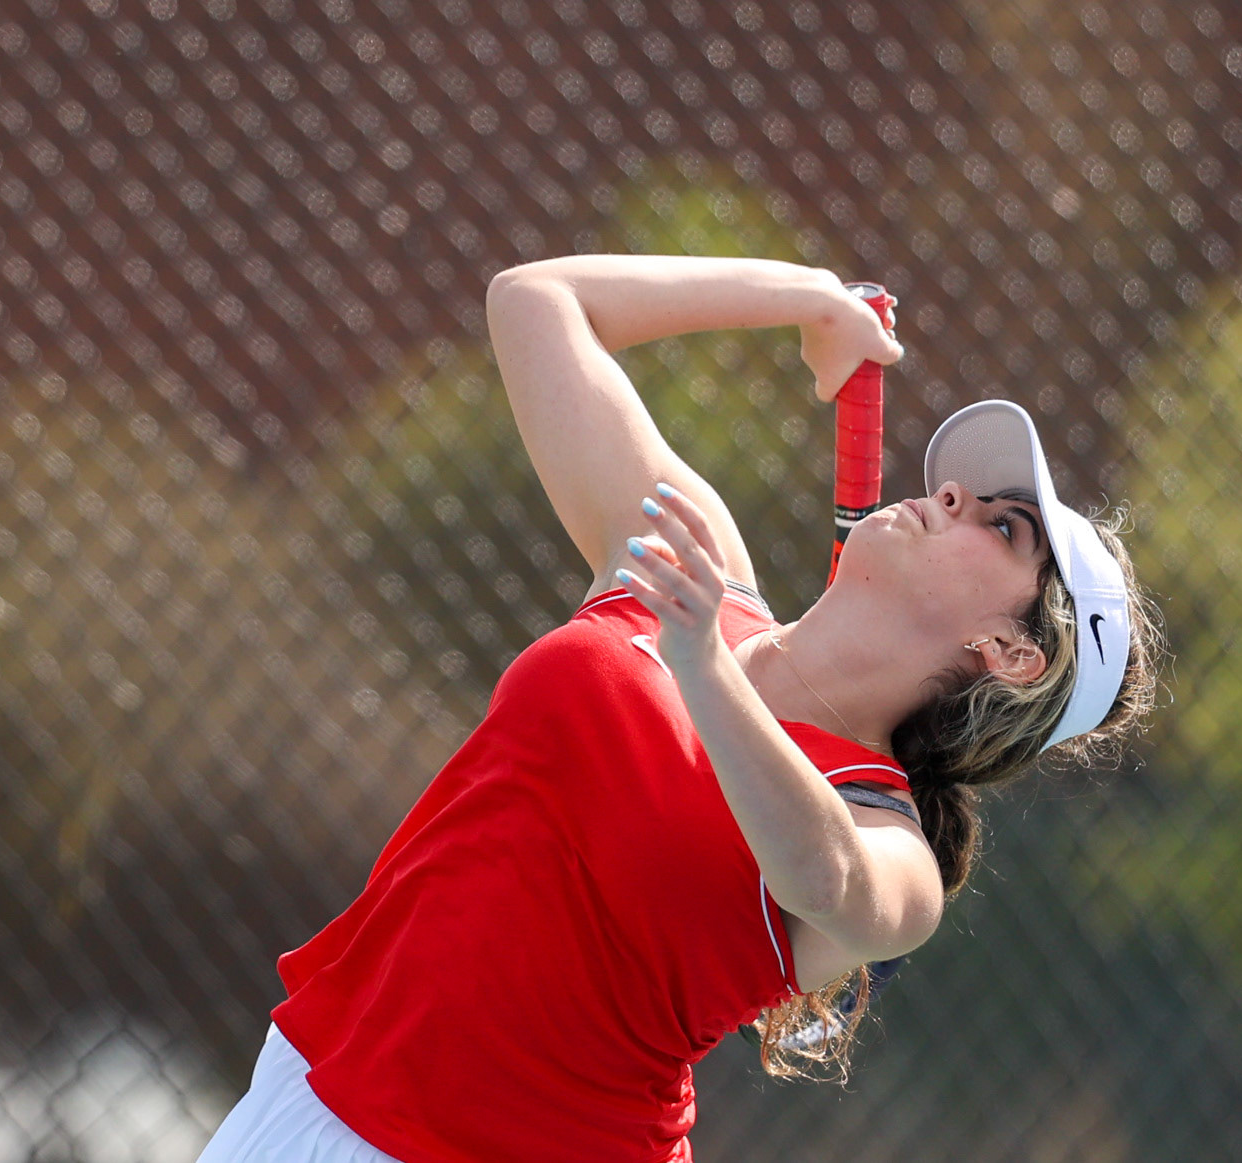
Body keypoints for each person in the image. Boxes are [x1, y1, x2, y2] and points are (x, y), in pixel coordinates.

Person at [197, 256, 1162, 1162]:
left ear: (1010, 654)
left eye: (1002, 524)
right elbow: (535, 303)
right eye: (971, 490)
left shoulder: (889, 844)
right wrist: (806, 297)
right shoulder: (699, 566)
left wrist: (709, 672)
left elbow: (825, 878)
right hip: (307, 1098)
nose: (949, 490)